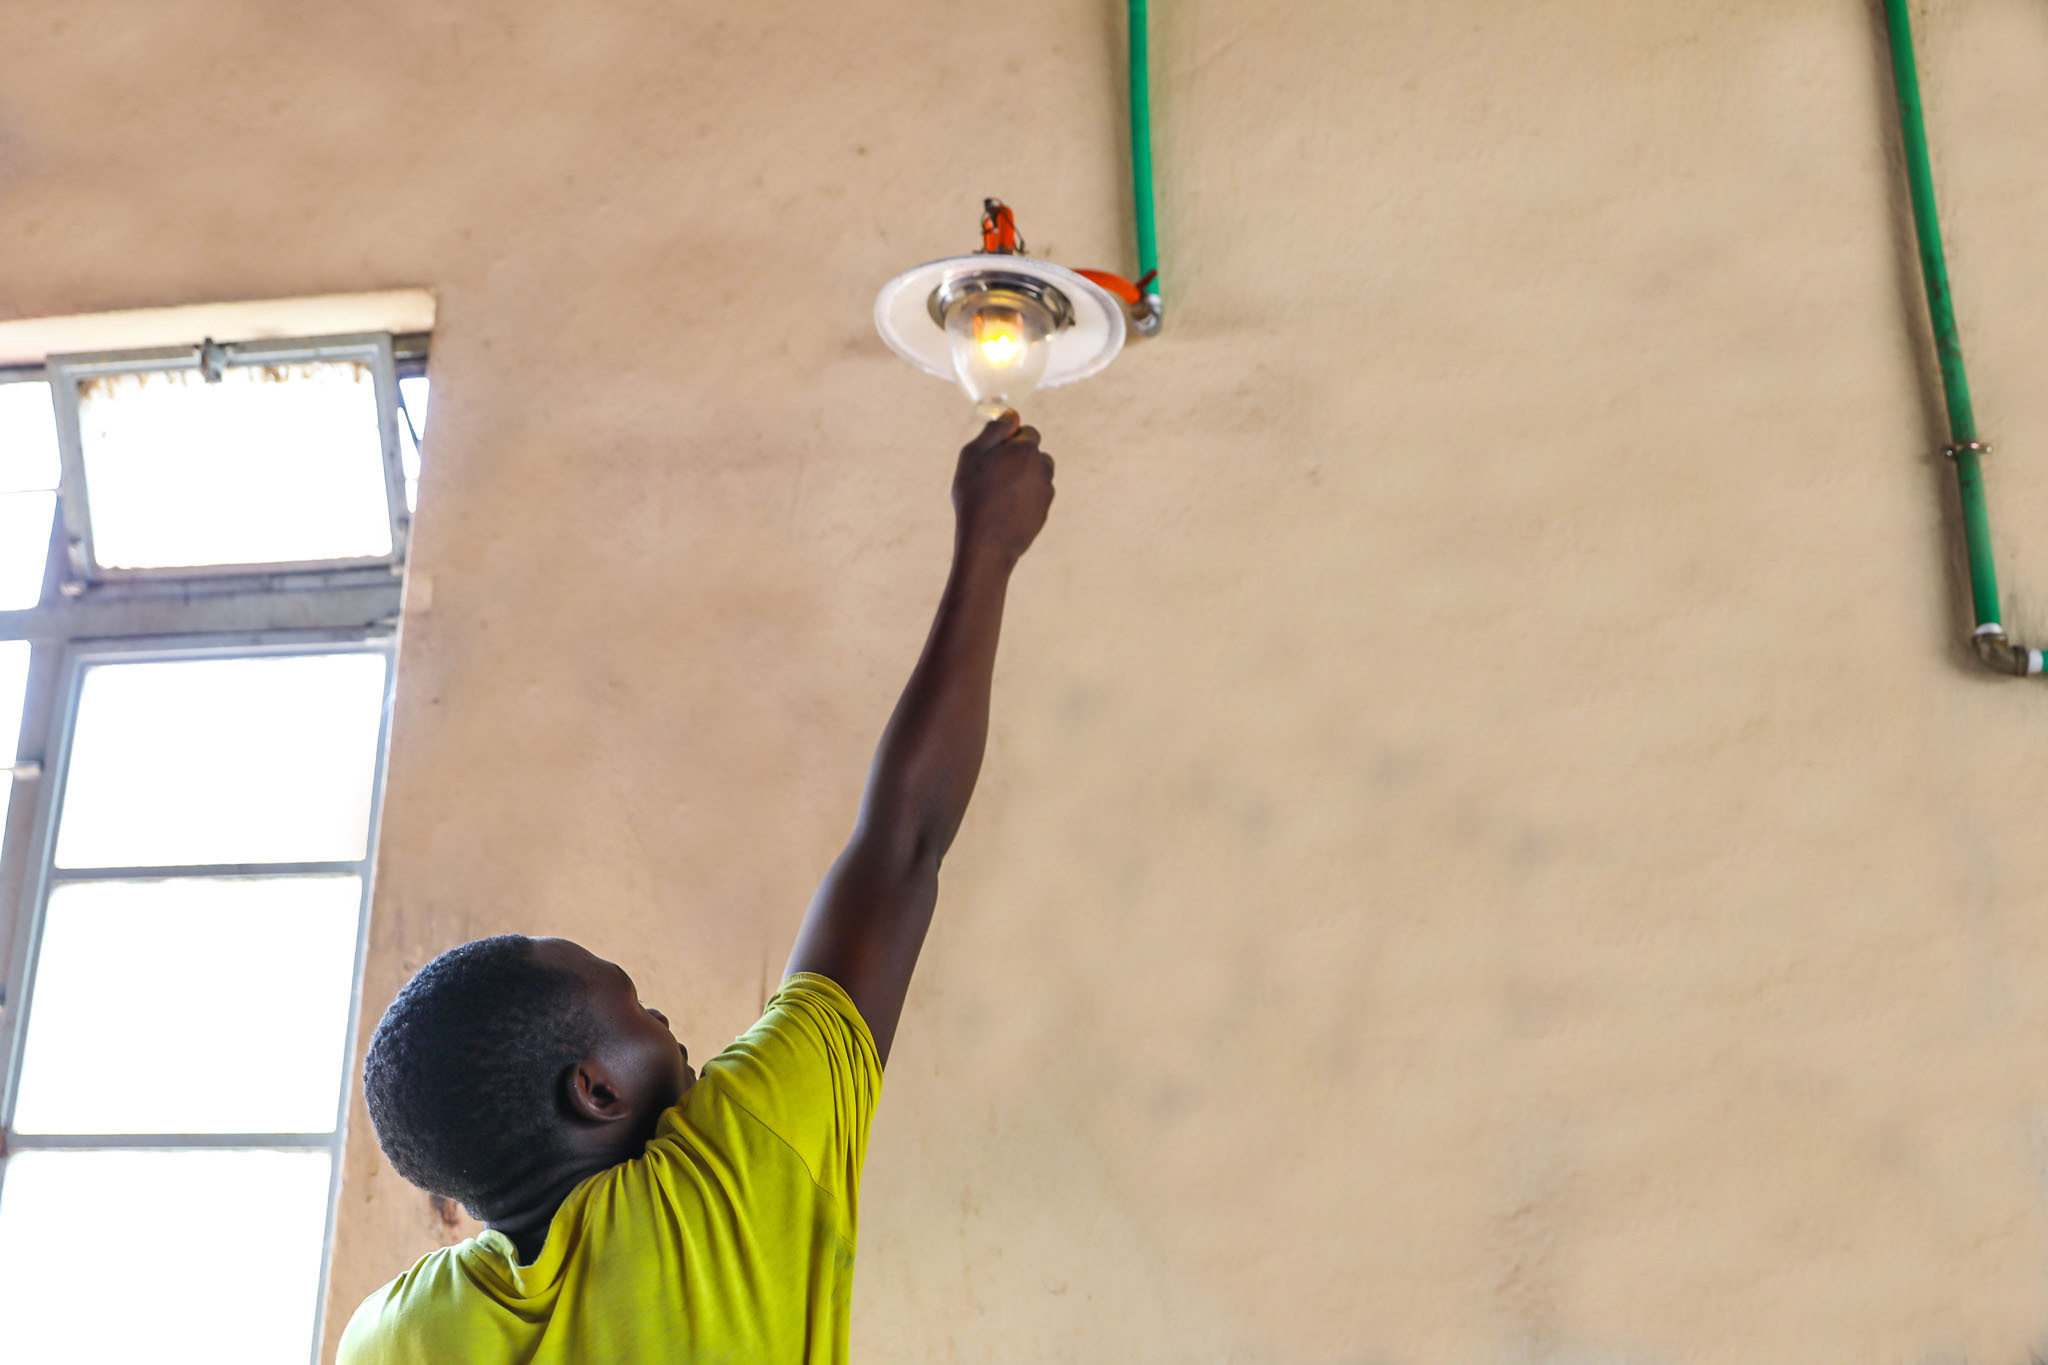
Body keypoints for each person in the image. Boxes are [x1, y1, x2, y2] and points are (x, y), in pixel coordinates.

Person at [337, 412, 1055, 1363]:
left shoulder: (390, 1334)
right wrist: (989, 547)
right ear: (595, 1090)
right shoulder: (724, 1184)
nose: (666, 1022)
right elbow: (901, 845)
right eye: (636, 1005)